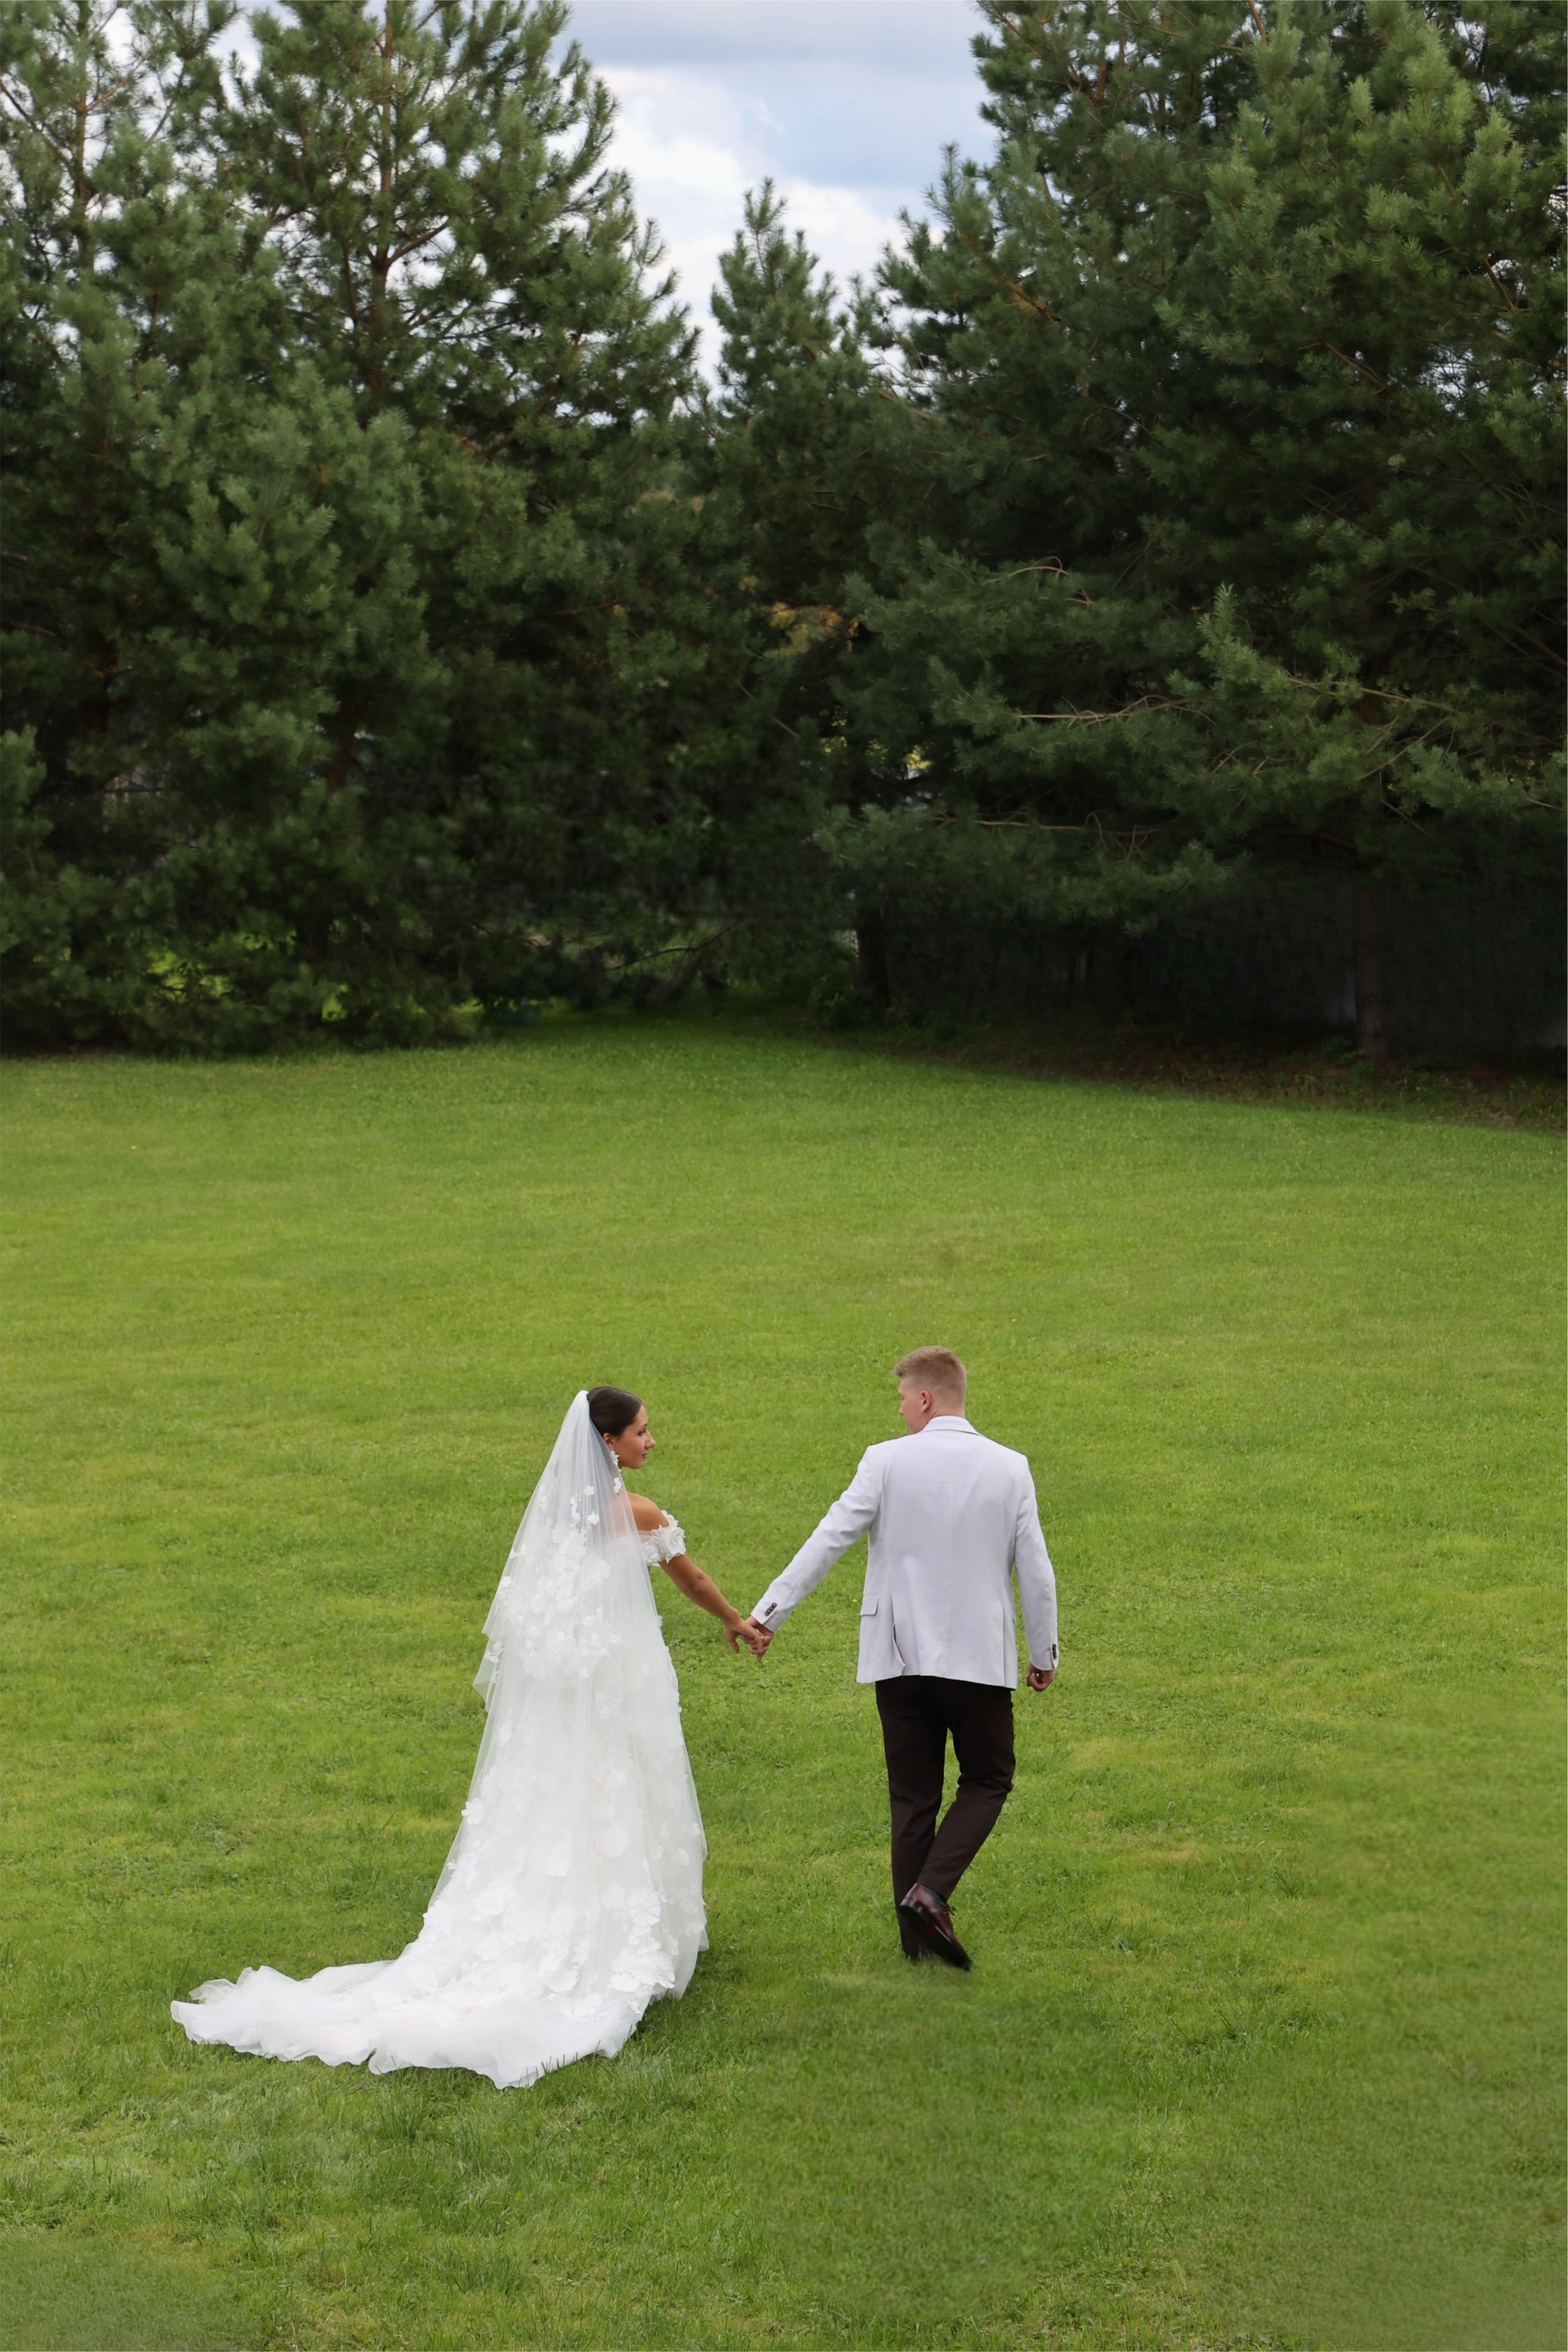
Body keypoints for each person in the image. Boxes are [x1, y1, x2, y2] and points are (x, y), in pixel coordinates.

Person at [171, 1387, 763, 2089]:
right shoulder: (638, 1513)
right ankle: (618, 1931)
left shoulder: (555, 1512)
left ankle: (578, 1911)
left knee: (569, 1792)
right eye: (641, 1431)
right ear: (608, 1442)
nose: (650, 1441)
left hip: (567, 1688)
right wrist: (734, 1619)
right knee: (623, 1785)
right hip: (616, 1682)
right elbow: (690, 1577)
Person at [742, 1348, 1057, 1970]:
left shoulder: (884, 1461)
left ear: (925, 1398)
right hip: (977, 1659)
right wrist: (1043, 1650)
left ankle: (916, 1942)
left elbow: (830, 1537)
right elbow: (1036, 1570)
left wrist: (768, 1613)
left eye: (902, 1399)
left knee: (913, 1798)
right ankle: (930, 1895)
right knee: (988, 1779)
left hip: (898, 1656)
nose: (900, 1410)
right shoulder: (1010, 1467)